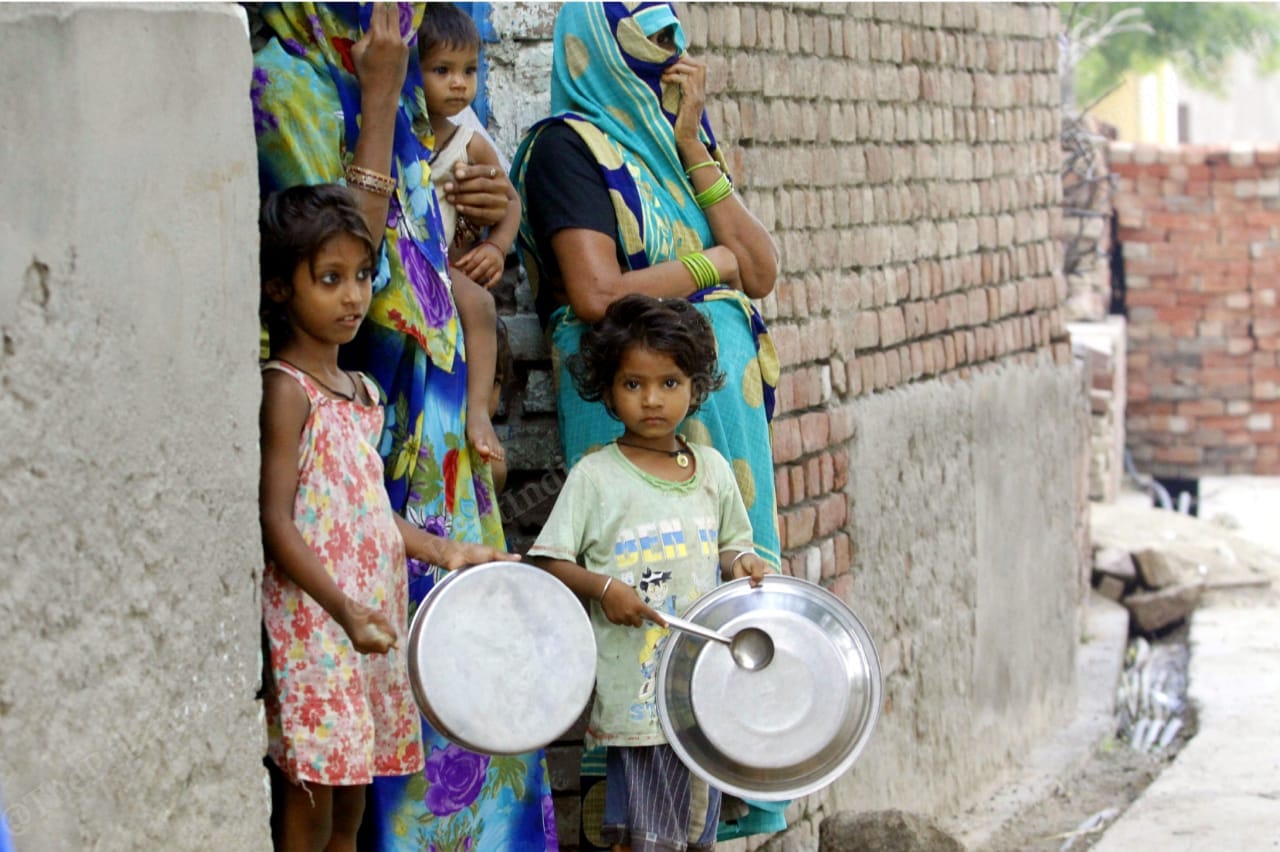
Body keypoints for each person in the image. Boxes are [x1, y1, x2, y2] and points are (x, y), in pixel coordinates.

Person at [252, 5, 558, 849]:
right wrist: (381, 100)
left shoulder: (400, 81)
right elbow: (364, 264)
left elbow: (437, 258)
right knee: (356, 769)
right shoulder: (289, 86)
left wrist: (493, 214)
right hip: (368, 457)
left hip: (436, 453)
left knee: (465, 690)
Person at [258, 183, 517, 850]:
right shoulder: (288, 392)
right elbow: (279, 521)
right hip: (319, 629)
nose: (352, 297)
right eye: (329, 279)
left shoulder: (362, 393)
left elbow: (367, 513)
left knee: (351, 809)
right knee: (312, 797)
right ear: (281, 289)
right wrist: (341, 610)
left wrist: (444, 550)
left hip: (372, 624)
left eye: (362, 277)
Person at [510, 2, 783, 572]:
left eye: (675, 39)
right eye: (654, 39)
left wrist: (691, 146)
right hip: (633, 417)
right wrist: (712, 265)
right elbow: (597, 296)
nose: (674, 58)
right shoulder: (567, 149)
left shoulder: (676, 145)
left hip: (720, 428)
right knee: (648, 591)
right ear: (604, 47)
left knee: (733, 591)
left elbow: (757, 270)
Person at [529, 295, 770, 852]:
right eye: (633, 385)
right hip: (635, 701)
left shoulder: (710, 470)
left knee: (695, 833)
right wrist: (604, 587)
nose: (652, 400)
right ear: (608, 392)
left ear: (695, 386)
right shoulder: (595, 476)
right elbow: (548, 560)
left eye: (668, 383)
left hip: (703, 695)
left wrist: (746, 565)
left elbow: (732, 546)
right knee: (645, 838)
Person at [418, 3, 521, 467]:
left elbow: (510, 200)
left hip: (445, 267)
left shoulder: (467, 141)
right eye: (442, 70)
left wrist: (495, 247)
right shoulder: (396, 133)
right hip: (413, 261)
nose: (459, 83)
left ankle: (478, 412)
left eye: (469, 71)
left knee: (480, 303)